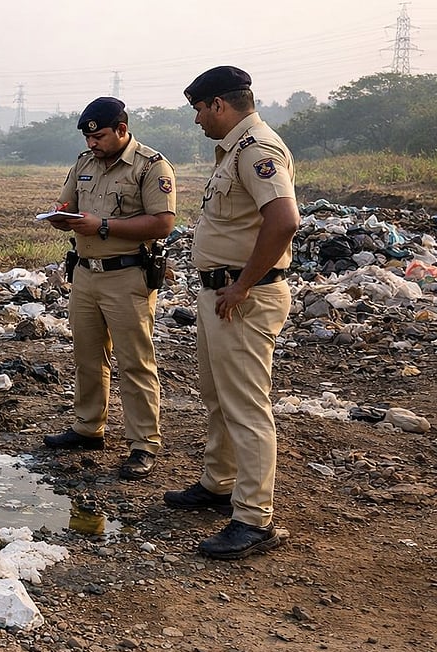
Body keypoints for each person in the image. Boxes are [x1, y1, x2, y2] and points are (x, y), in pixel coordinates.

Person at [163, 66, 299, 560]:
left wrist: (242, 285)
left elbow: (284, 220)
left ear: (219, 104)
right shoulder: (236, 150)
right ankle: (218, 484)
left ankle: (253, 519)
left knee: (246, 406)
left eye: (199, 109)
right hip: (220, 294)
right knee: (216, 394)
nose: (198, 119)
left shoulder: (257, 149)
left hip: (244, 296)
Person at [41, 96, 176, 480]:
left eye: (99, 137)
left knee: (134, 362)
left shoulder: (150, 166)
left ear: (121, 130)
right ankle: (88, 427)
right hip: (85, 273)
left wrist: (102, 226)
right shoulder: (83, 164)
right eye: (88, 138)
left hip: (127, 275)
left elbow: (162, 223)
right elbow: (67, 203)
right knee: (87, 355)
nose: (92, 144)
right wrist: (61, 217)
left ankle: (144, 443)